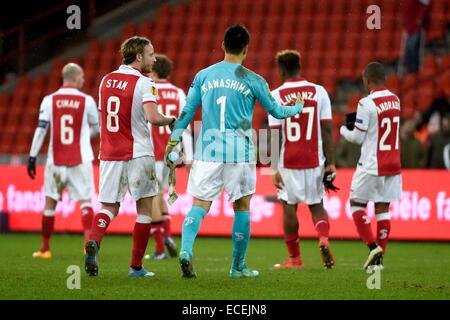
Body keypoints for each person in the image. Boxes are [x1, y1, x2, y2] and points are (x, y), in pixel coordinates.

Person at [165, 24, 304, 278]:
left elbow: (186, 113)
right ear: (246, 49)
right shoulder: (253, 79)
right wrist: (296, 108)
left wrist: (173, 141)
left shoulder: (203, 75)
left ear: (222, 46)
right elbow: (276, 111)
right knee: (241, 206)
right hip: (240, 153)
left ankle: (186, 250)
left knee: (199, 204)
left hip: (207, 150)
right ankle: (237, 267)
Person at [84, 36, 176, 278]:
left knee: (108, 207)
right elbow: (153, 118)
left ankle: (94, 241)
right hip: (139, 153)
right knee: (145, 209)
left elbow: (105, 118)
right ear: (138, 57)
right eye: (150, 54)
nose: (154, 59)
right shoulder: (146, 83)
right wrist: (172, 120)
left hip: (110, 153)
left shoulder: (105, 80)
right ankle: (136, 267)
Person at [268, 50, 336, 269]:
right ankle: (323, 239)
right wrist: (331, 162)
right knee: (317, 204)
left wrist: (273, 167)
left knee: (289, 205)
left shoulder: (276, 95)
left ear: (281, 70)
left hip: (289, 159)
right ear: (299, 66)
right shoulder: (319, 91)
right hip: (314, 158)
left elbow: (274, 134)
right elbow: (326, 128)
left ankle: (295, 258)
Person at [27, 63, 99, 259]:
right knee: (85, 202)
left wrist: (32, 156)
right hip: (81, 159)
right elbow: (97, 128)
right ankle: (87, 246)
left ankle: (44, 248)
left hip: (55, 160)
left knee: (50, 203)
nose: (84, 80)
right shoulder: (87, 101)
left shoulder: (49, 100)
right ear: (75, 78)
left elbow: (41, 129)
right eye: (82, 77)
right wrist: (84, 135)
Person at [340, 62, 402, 270]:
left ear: (367, 80)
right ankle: (378, 262)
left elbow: (357, 138)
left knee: (357, 203)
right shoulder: (396, 100)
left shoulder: (366, 103)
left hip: (372, 163)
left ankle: (372, 246)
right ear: (384, 79)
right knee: (383, 208)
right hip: (393, 163)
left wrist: (343, 130)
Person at [147, 54, 193, 260]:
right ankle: (168, 236)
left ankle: (159, 248)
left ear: (154, 71)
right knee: (161, 194)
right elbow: (186, 127)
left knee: (152, 197)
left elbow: (146, 122)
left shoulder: (148, 91)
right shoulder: (178, 93)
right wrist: (189, 157)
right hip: (172, 155)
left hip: (153, 152)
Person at [399, 0, 431, 74]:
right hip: (409, 27)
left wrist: (420, 17)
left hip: (415, 27)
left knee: (412, 48)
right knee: (409, 50)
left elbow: (425, 5)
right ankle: (410, 72)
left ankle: (414, 72)